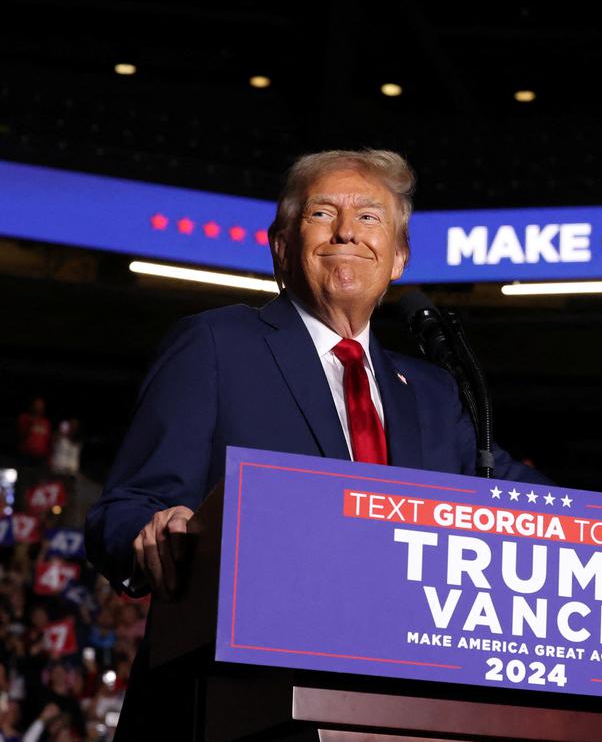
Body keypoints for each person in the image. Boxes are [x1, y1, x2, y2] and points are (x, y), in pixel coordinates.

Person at [84, 150, 546, 735]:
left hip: (395, 712)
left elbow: (524, 499)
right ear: (281, 246)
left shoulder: (432, 391)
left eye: (371, 217)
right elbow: (123, 511)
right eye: (322, 213)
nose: (347, 230)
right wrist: (155, 532)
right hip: (234, 708)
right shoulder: (218, 346)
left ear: (399, 257)